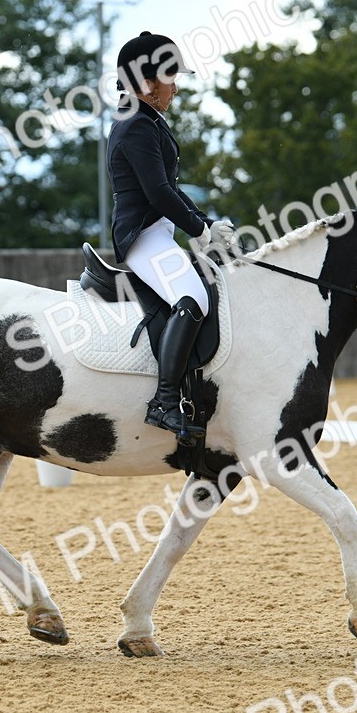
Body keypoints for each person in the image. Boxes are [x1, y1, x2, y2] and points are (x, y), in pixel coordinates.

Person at [107, 31, 235, 438]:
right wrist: (198, 230)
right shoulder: (136, 127)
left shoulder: (147, 121)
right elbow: (159, 192)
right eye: (170, 79)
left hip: (158, 232)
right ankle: (163, 402)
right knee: (193, 297)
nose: (176, 87)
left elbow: (171, 189)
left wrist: (206, 224)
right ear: (146, 84)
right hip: (142, 237)